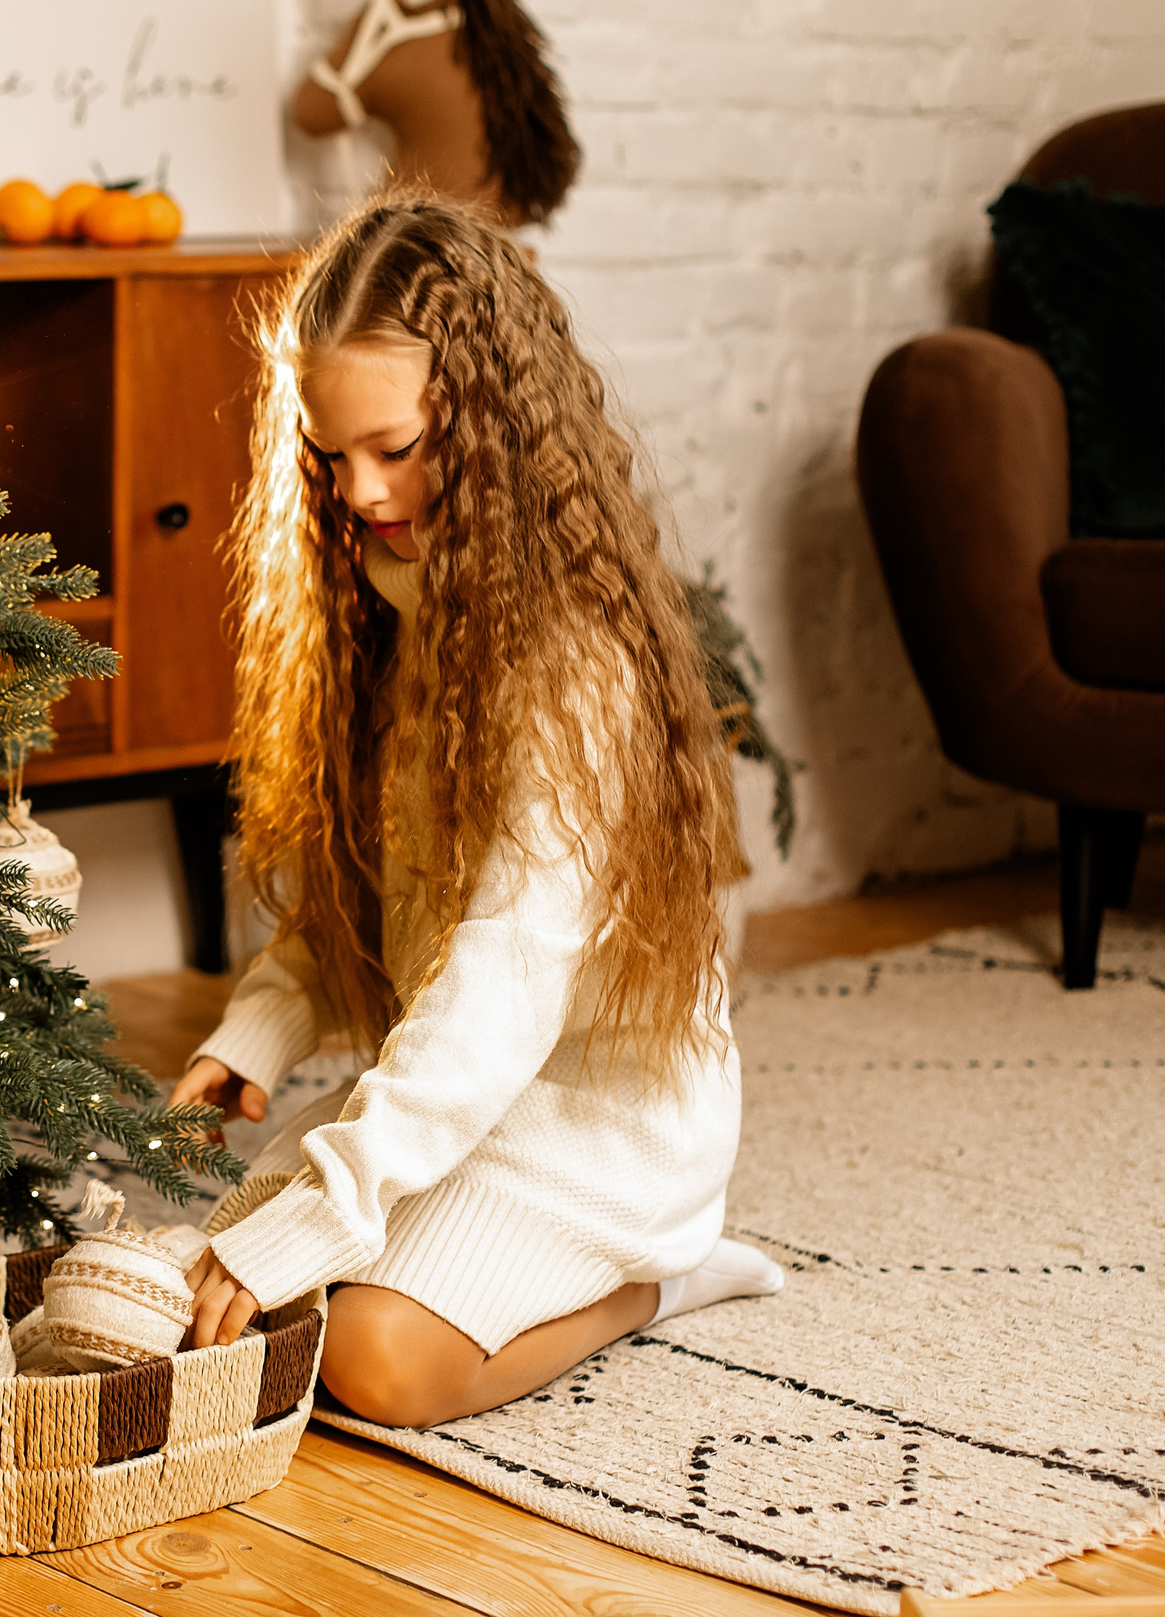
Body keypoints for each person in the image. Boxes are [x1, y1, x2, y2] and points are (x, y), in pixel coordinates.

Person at [170, 193, 784, 1430]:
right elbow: (370, 883)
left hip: (597, 1115)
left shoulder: (573, 665)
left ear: (492, 422)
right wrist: (260, 1030)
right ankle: (434, 1231)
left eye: (396, 448)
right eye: (329, 454)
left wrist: (335, 1197)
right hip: (481, 1083)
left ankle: (656, 1277)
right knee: (230, 1289)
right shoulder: (386, 606)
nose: (360, 490)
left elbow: (503, 976)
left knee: (373, 1359)